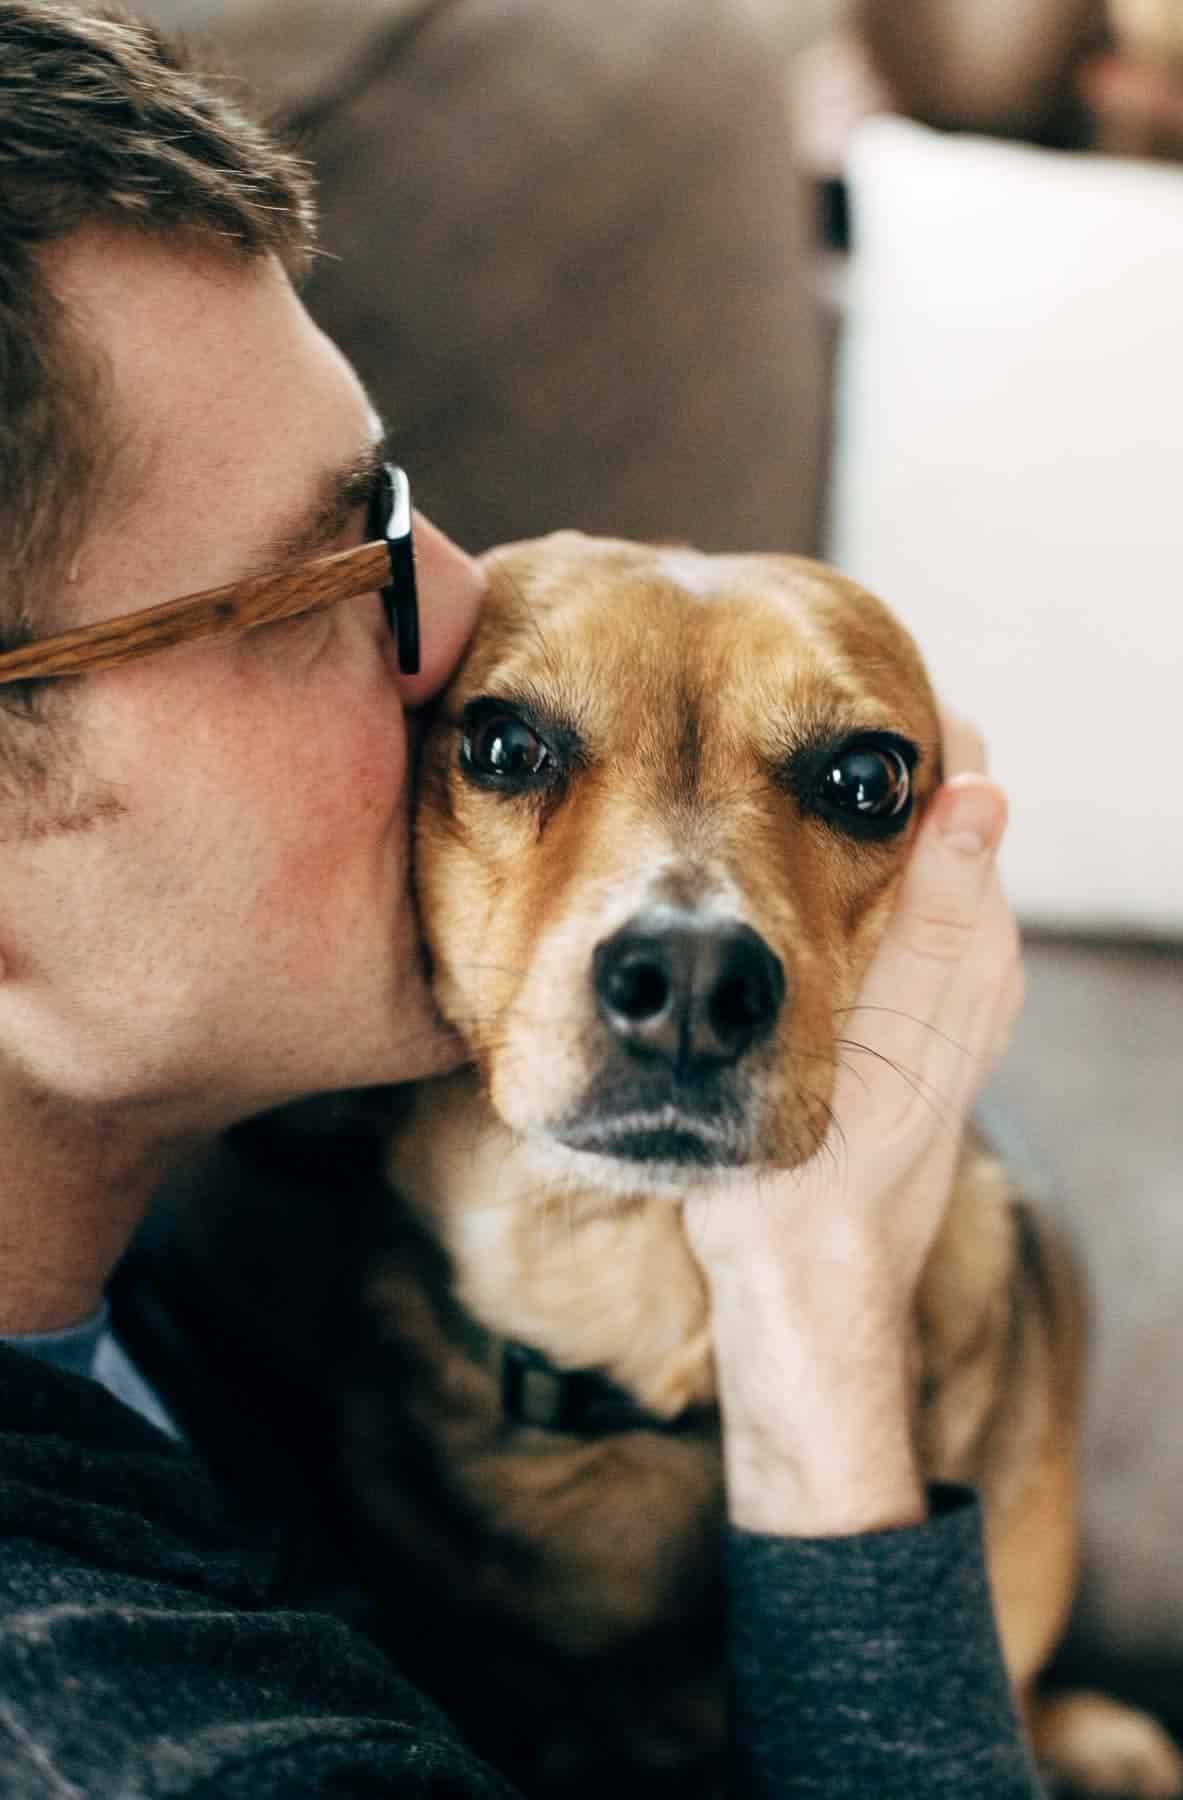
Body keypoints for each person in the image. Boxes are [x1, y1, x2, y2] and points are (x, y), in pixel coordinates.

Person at [0, 3, 1035, 1795]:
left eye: (393, 513)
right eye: (308, 585)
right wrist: (822, 1307)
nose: (471, 609)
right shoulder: (156, 1742)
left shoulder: (196, 1244)